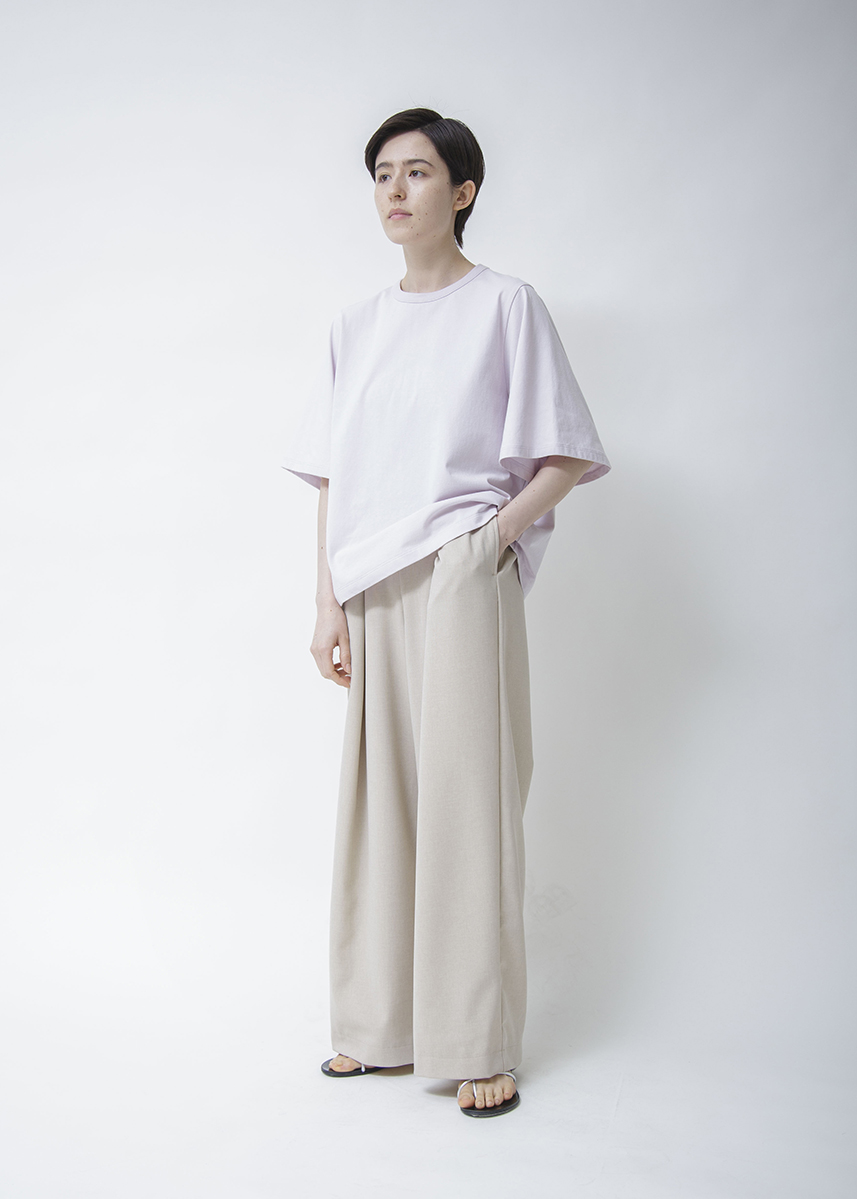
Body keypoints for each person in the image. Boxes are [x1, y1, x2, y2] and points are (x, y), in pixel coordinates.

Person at [281, 107, 610, 1117]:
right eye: (382, 172)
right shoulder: (353, 325)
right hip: (368, 582)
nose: (394, 189)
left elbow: (565, 451)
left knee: (467, 806)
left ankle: (475, 1039)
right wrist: (327, 599)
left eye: (417, 171)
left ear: (462, 192)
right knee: (376, 806)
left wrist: (488, 538)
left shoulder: (505, 305)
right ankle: (377, 1026)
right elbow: (333, 476)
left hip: (461, 570)